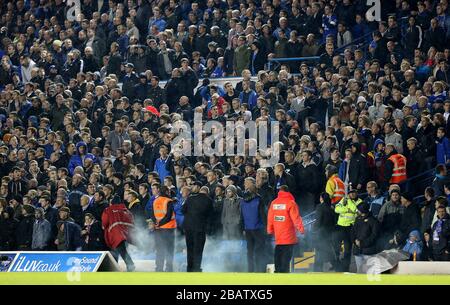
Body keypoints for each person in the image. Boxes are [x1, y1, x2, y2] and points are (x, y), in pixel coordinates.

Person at [267, 185, 305, 273]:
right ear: (288, 191)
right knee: (286, 257)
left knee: (278, 254)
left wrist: (270, 230)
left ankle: (278, 271)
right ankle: (284, 273)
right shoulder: (291, 203)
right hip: (289, 236)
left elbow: (270, 218)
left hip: (278, 236)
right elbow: (296, 218)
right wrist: (301, 229)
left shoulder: (274, 203)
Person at [182, 182, 213, 272]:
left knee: (190, 248)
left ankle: (189, 268)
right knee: (198, 249)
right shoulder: (209, 200)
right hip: (200, 228)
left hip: (188, 227)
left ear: (200, 189)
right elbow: (210, 216)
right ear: (207, 192)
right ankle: (196, 268)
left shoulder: (190, 198)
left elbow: (183, 210)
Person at [102, 195, 135, 272]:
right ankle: (116, 266)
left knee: (120, 250)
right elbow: (132, 222)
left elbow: (105, 222)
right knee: (121, 250)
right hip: (127, 234)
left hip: (116, 234)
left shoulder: (108, 210)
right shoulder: (127, 211)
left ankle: (130, 265)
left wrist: (104, 227)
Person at [241, 177, 266, 273]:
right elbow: (263, 214)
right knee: (259, 251)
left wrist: (243, 228)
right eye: (245, 183)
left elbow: (242, 215)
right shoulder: (258, 199)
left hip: (248, 228)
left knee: (250, 251)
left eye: (246, 183)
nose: (245, 185)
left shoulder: (243, 199)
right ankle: (260, 270)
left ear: (252, 184)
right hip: (258, 228)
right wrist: (267, 226)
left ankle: (250, 270)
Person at [149, 185, 176, 272]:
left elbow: (152, 215)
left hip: (158, 229)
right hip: (168, 229)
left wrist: (157, 224)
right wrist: (160, 224)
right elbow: (168, 217)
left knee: (160, 249)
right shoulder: (169, 201)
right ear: (167, 192)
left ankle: (159, 268)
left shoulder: (155, 201)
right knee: (169, 249)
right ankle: (169, 268)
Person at [333, 189, 362, 272]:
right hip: (340, 226)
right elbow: (336, 209)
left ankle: (345, 268)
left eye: (354, 193)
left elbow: (356, 211)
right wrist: (346, 209)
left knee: (348, 249)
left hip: (350, 228)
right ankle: (337, 266)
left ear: (357, 193)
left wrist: (348, 203)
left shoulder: (360, 201)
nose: (352, 194)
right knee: (336, 248)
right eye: (350, 193)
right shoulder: (344, 199)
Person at [314, 192, 336, 272]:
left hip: (321, 233)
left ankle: (317, 270)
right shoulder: (331, 207)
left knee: (319, 252)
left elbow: (318, 220)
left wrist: (314, 229)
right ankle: (337, 265)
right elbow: (334, 221)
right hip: (329, 233)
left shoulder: (320, 207)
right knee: (328, 250)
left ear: (322, 198)